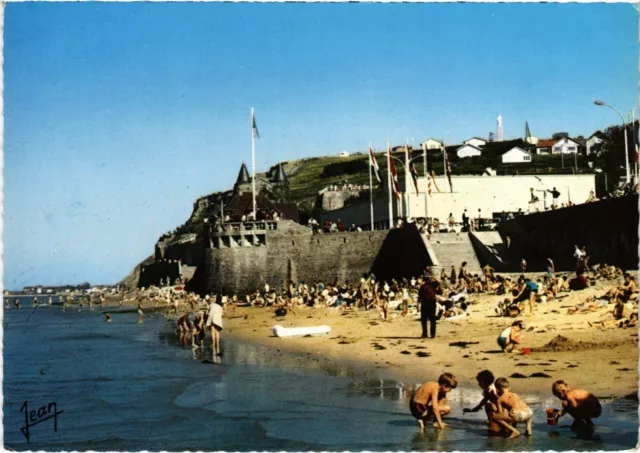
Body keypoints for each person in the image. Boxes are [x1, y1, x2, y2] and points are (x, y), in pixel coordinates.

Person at [463, 370, 503, 435]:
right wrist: (473, 410)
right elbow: (484, 400)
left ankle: (496, 421)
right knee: (487, 405)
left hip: (502, 410)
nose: (478, 385)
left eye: (479, 382)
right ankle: (491, 420)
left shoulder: (495, 390)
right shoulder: (487, 390)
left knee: (490, 405)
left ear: (483, 382)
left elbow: (503, 400)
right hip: (498, 409)